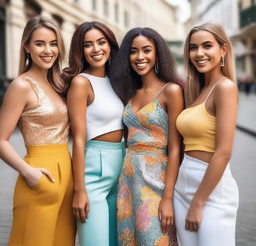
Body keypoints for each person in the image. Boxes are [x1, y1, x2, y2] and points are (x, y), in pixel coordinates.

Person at [0, 16, 75, 246]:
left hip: (67, 176)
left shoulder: (58, 84)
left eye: (53, 43)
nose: (48, 50)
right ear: (27, 47)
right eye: (40, 43)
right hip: (39, 176)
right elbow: (1, 140)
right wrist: (28, 172)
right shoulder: (21, 86)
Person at [110, 27, 183, 245]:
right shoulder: (128, 92)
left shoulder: (171, 91)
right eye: (134, 51)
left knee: (155, 238)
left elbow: (175, 148)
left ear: (157, 53)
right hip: (128, 179)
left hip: (157, 178)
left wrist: (168, 198)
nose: (140, 57)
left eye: (146, 50)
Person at [174, 23, 239, 246]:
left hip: (211, 191)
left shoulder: (225, 87)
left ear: (223, 50)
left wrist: (199, 202)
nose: (199, 53)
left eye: (207, 46)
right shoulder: (197, 90)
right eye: (193, 47)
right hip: (182, 187)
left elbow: (223, 152)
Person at [62, 21, 124, 246]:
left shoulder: (116, 81)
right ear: (80, 51)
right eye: (88, 45)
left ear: (110, 45)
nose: (96, 49)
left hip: (119, 168)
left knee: (115, 241)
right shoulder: (81, 83)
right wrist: (80, 191)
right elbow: (78, 140)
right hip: (93, 172)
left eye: (101, 42)